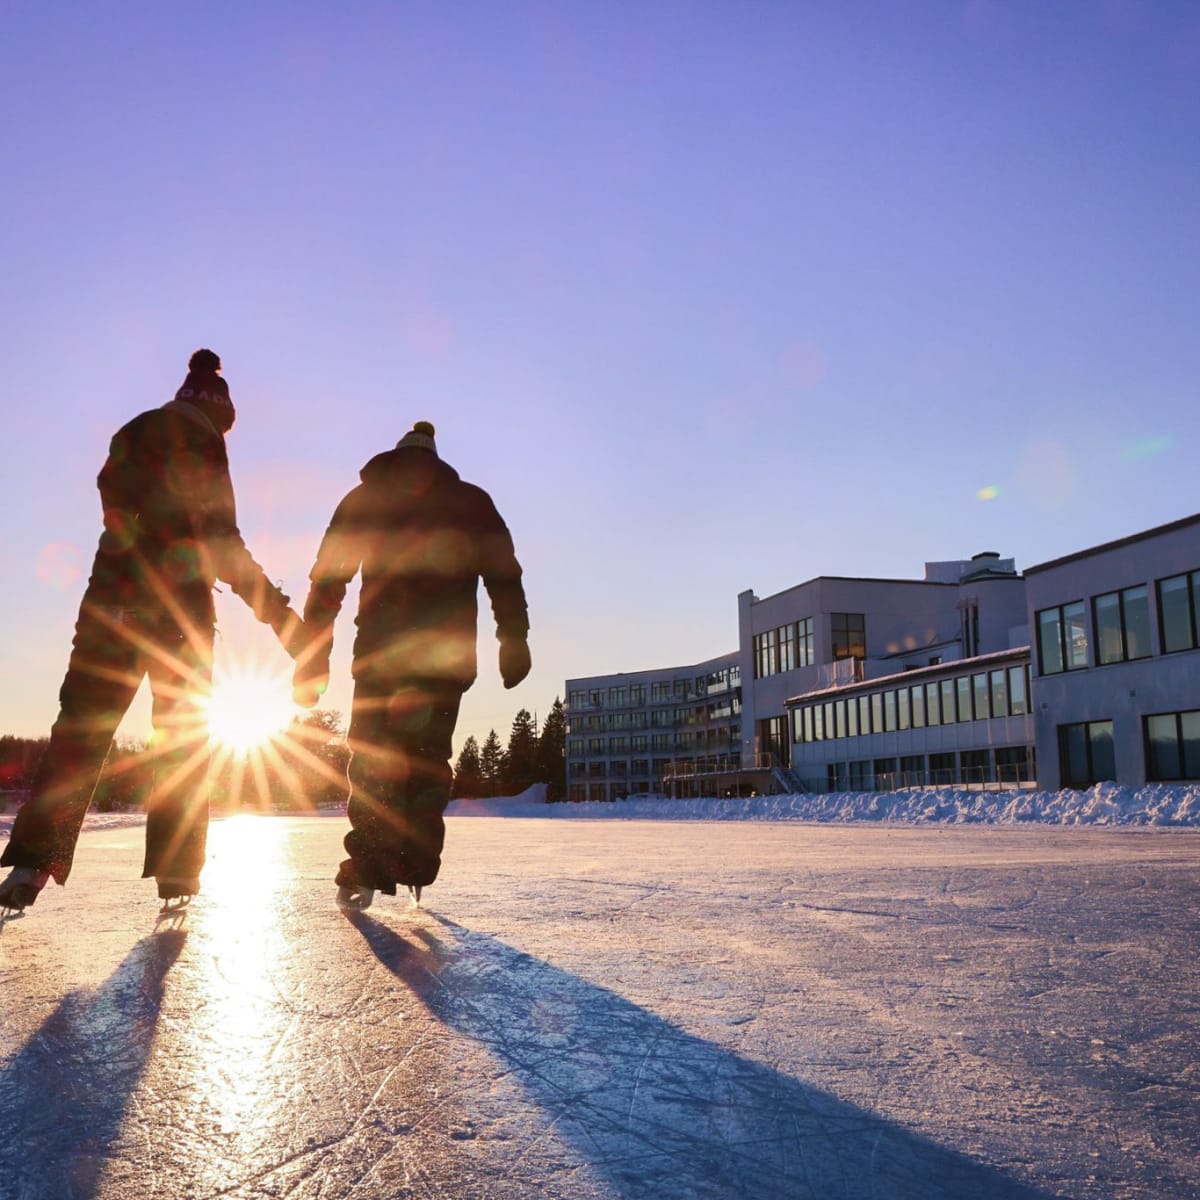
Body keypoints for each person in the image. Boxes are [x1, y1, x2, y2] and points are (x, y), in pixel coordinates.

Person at [0, 350, 303, 912]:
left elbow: (110, 491)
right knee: (183, 741)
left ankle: (33, 859)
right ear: (218, 415)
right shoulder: (206, 445)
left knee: (81, 733)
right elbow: (223, 545)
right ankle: (177, 873)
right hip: (178, 621)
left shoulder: (135, 430)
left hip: (110, 606)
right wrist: (283, 620)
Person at [293, 420, 530, 911]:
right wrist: (514, 637)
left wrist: (314, 654)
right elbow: (504, 575)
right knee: (426, 762)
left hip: (383, 656)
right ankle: (415, 865)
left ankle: (368, 866)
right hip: (445, 661)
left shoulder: (366, 498)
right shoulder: (472, 502)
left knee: (375, 761)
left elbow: (327, 580)